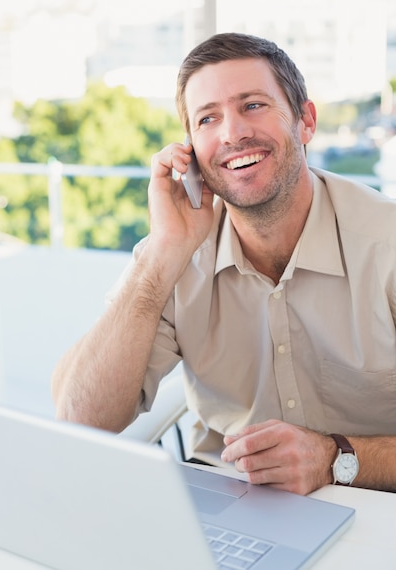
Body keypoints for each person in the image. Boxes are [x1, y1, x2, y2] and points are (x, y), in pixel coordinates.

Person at [52, 32, 396, 495]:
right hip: (228, 508)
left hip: (374, 507)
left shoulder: (385, 244)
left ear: (306, 121)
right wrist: (160, 258)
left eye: (252, 105)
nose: (232, 134)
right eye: (207, 118)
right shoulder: (173, 256)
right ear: (190, 150)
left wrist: (335, 458)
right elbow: (79, 419)